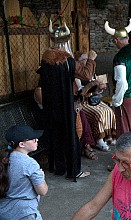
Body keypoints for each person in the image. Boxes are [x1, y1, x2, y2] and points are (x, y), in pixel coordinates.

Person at [39, 20, 85, 180]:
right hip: (66, 107)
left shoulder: (45, 61)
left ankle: (58, 167)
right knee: (70, 136)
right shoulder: (69, 62)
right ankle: (73, 170)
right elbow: (81, 77)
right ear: (67, 41)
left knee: (55, 135)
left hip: (50, 107)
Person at [0, 125, 48, 220]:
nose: (37, 140)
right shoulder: (30, 164)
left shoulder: (4, 159)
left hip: (6, 214)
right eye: (33, 139)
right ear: (22, 144)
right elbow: (43, 191)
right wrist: (42, 177)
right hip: (25, 215)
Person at [74, 51, 117, 153]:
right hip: (83, 102)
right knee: (98, 114)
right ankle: (99, 139)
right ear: (78, 62)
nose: (87, 62)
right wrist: (92, 83)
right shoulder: (77, 76)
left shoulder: (91, 71)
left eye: (87, 59)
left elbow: (96, 91)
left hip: (93, 99)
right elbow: (81, 93)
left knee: (108, 110)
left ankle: (108, 135)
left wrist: (99, 87)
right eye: (85, 60)